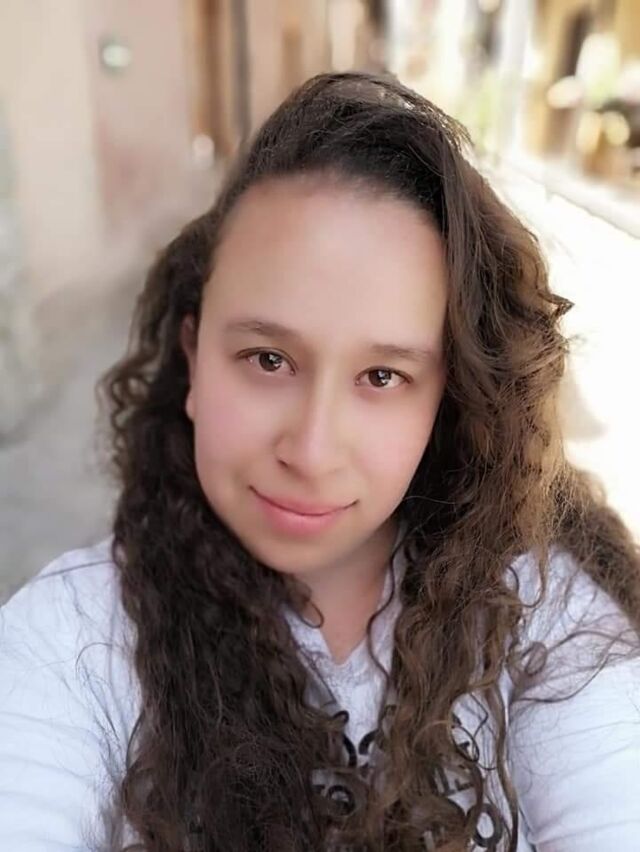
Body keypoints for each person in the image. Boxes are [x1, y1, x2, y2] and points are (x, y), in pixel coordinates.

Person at [1, 71, 639, 852]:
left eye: (383, 377)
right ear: (194, 358)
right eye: (267, 360)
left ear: (448, 400)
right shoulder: (67, 640)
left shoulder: (547, 625)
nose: (310, 450)